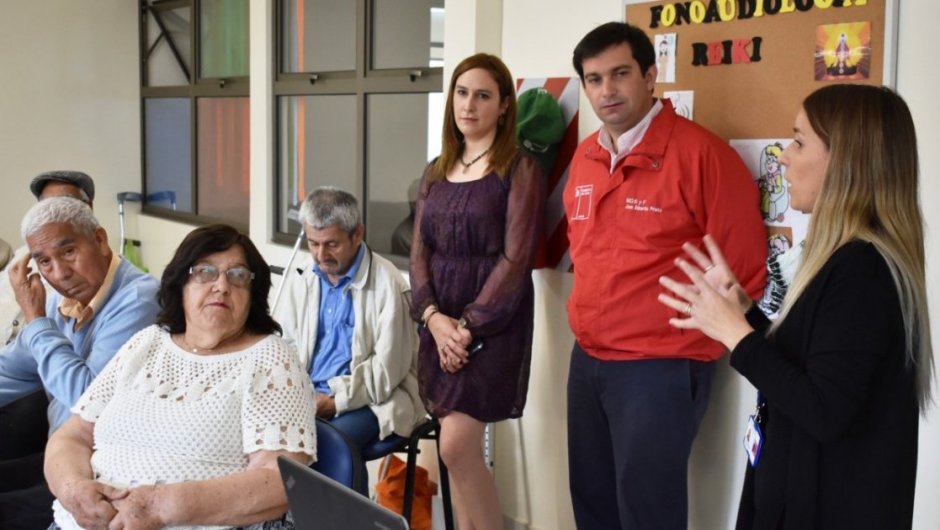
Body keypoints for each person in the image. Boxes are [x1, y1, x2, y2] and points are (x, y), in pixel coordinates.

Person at [658, 84, 933, 530]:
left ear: (847, 161)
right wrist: (744, 312)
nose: (784, 155)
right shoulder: (843, 259)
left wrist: (737, 336)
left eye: (800, 141)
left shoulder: (863, 270)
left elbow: (822, 408)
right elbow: (811, 365)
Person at [564, 22, 767, 530]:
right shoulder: (586, 157)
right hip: (588, 359)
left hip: (658, 369)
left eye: (620, 74)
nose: (606, 91)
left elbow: (743, 274)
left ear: (651, 76)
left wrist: (684, 342)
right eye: (593, 79)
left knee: (648, 513)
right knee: (592, 503)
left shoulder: (702, 156)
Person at [45, 224, 317, 530]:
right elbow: (72, 436)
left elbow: (279, 479)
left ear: (252, 294)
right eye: (205, 272)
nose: (222, 286)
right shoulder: (147, 342)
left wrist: (159, 506)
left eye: (238, 276)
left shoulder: (269, 357)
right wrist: (73, 490)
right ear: (181, 285)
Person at [410, 53, 544, 530]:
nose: (469, 105)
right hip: (439, 325)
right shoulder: (436, 169)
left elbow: (515, 259)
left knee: (456, 445)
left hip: (492, 324)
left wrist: (465, 329)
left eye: (483, 95)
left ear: (504, 105)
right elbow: (419, 250)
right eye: (462, 93)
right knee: (455, 454)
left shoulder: (519, 168)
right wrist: (432, 318)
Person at [0, 195, 159, 529]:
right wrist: (39, 323)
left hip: (105, 475)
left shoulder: (139, 299)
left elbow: (87, 398)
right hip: (62, 458)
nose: (59, 273)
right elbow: (10, 370)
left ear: (100, 240)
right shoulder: (61, 298)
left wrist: (36, 320)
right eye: (43, 261)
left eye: (68, 252)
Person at [274, 187, 424, 459]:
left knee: (329, 447)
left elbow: (387, 372)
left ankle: (343, 504)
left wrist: (334, 401)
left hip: (375, 399)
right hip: (309, 395)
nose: (321, 256)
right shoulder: (305, 275)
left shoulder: (389, 284)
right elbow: (286, 346)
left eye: (332, 244)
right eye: (313, 243)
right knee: (265, 440)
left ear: (357, 235)